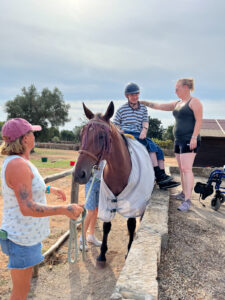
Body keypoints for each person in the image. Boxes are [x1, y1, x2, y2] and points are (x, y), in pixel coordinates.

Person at [0, 118, 84, 300]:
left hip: (24, 236)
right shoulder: (17, 165)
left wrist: (48, 188)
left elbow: (26, 187)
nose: (34, 135)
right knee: (20, 292)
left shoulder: (20, 162)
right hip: (21, 239)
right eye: (31, 132)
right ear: (24, 139)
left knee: (24, 286)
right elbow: (27, 207)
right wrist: (64, 209)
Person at [140, 78, 203, 211]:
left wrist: (193, 137)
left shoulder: (194, 102)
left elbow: (199, 121)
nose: (175, 91)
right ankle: (182, 193)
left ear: (185, 87)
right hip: (178, 140)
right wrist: (145, 103)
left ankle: (187, 200)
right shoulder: (178, 103)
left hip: (189, 139)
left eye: (177, 88)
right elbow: (159, 106)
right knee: (181, 169)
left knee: (187, 169)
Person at [113, 82, 179, 189]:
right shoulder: (121, 109)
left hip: (139, 134)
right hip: (127, 134)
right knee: (151, 146)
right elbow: (115, 124)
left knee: (159, 150)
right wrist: (119, 131)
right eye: (132, 95)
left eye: (136, 94)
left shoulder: (143, 108)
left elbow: (145, 121)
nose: (135, 97)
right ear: (127, 96)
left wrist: (144, 130)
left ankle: (163, 177)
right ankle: (159, 175)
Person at [79, 161, 105, 251]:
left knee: (96, 210)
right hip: (91, 181)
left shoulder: (106, 148)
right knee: (90, 211)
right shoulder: (94, 147)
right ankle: (82, 238)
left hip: (101, 182)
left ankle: (91, 235)